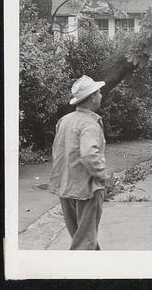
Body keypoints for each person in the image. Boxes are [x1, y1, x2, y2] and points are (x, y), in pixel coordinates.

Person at [48, 75, 107, 250]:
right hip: (86, 189)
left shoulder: (64, 121)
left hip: (66, 187)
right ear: (92, 97)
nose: (101, 95)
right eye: (99, 92)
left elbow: (56, 152)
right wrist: (102, 176)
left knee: (80, 237)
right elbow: (89, 155)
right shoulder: (90, 124)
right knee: (84, 243)